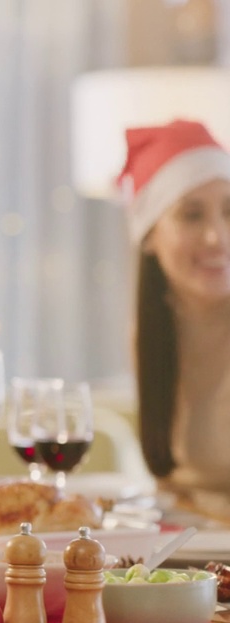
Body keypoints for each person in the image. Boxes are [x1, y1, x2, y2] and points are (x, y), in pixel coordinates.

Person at [119, 119, 230, 498]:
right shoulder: (150, 333)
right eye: (192, 215)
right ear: (149, 235)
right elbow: (168, 483)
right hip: (186, 549)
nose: (217, 236)